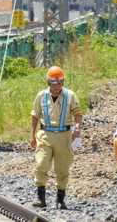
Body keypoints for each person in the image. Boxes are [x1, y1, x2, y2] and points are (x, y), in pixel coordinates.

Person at [29, 65, 84, 210]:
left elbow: (78, 114)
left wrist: (77, 130)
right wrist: (32, 136)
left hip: (64, 135)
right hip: (45, 134)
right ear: (49, 83)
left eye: (59, 83)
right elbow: (35, 115)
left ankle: (60, 200)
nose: (57, 86)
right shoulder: (41, 96)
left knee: (62, 169)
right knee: (41, 164)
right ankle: (41, 198)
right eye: (54, 83)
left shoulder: (70, 95)